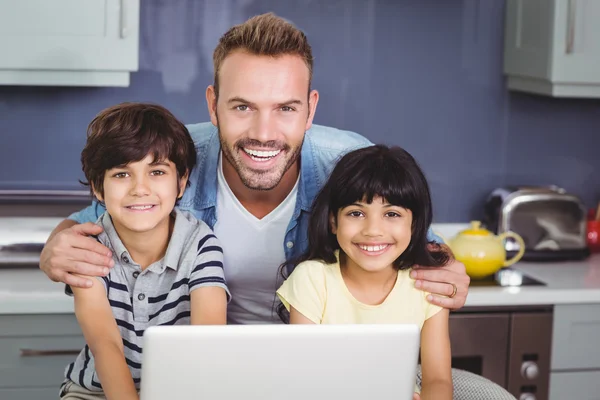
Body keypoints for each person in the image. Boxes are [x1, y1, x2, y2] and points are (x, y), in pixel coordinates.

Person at [40, 12, 470, 325]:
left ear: (310, 109)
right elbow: (83, 226)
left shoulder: (348, 164)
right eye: (243, 106)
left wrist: (448, 271)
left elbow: (423, 250)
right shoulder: (168, 162)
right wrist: (55, 248)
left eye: (285, 108)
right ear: (213, 105)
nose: (264, 133)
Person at [59, 103, 229, 400]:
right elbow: (105, 345)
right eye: (122, 174)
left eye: (157, 171)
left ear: (182, 182)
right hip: (95, 392)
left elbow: (207, 344)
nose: (140, 188)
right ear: (99, 189)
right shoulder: (90, 250)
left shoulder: (201, 246)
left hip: (179, 390)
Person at [276, 144, 452, 400]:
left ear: (414, 225)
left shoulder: (427, 285)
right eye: (356, 213)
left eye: (391, 213)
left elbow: (438, 379)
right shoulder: (312, 279)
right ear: (333, 222)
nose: (373, 230)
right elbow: (303, 379)